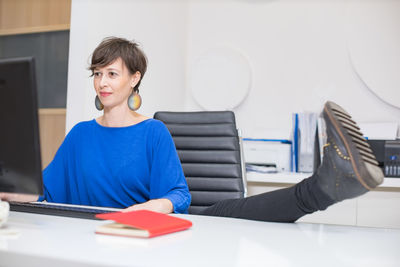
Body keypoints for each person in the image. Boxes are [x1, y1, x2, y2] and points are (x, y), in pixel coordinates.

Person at [0, 37, 384, 223]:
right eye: (98, 74)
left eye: (112, 73)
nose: (102, 81)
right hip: (98, 239)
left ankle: (327, 183)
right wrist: (13, 187)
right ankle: (328, 182)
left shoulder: (153, 133)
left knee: (230, 212)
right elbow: (46, 193)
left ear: (135, 79)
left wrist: (150, 208)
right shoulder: (80, 135)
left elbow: (179, 194)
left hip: (154, 232)